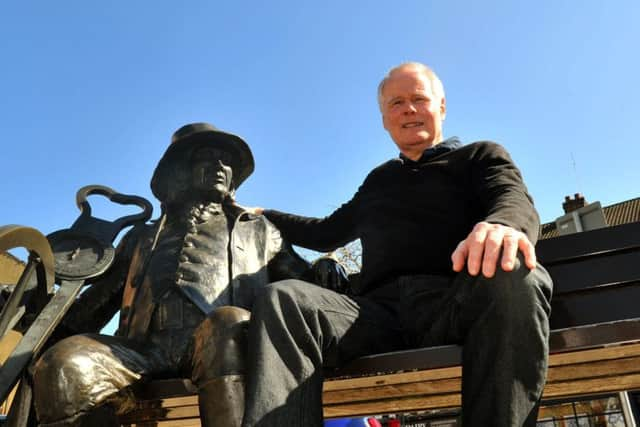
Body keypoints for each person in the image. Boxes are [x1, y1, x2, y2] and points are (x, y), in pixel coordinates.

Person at [239, 63, 553, 426]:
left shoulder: (480, 156)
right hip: (375, 316)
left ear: (441, 107)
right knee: (283, 299)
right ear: (385, 119)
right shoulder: (379, 180)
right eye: (396, 103)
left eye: (419, 98)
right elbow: (325, 231)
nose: (409, 109)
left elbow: (511, 197)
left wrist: (502, 225)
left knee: (515, 270)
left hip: (454, 304)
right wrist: (265, 214)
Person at [31, 123, 338, 427]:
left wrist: (324, 269)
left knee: (226, 322)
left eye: (227, 161)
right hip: (144, 351)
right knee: (62, 364)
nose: (221, 166)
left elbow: (301, 289)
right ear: (178, 170)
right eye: (207, 156)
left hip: (225, 343)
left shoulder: (260, 232)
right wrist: (33, 312)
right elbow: (91, 309)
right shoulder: (140, 237)